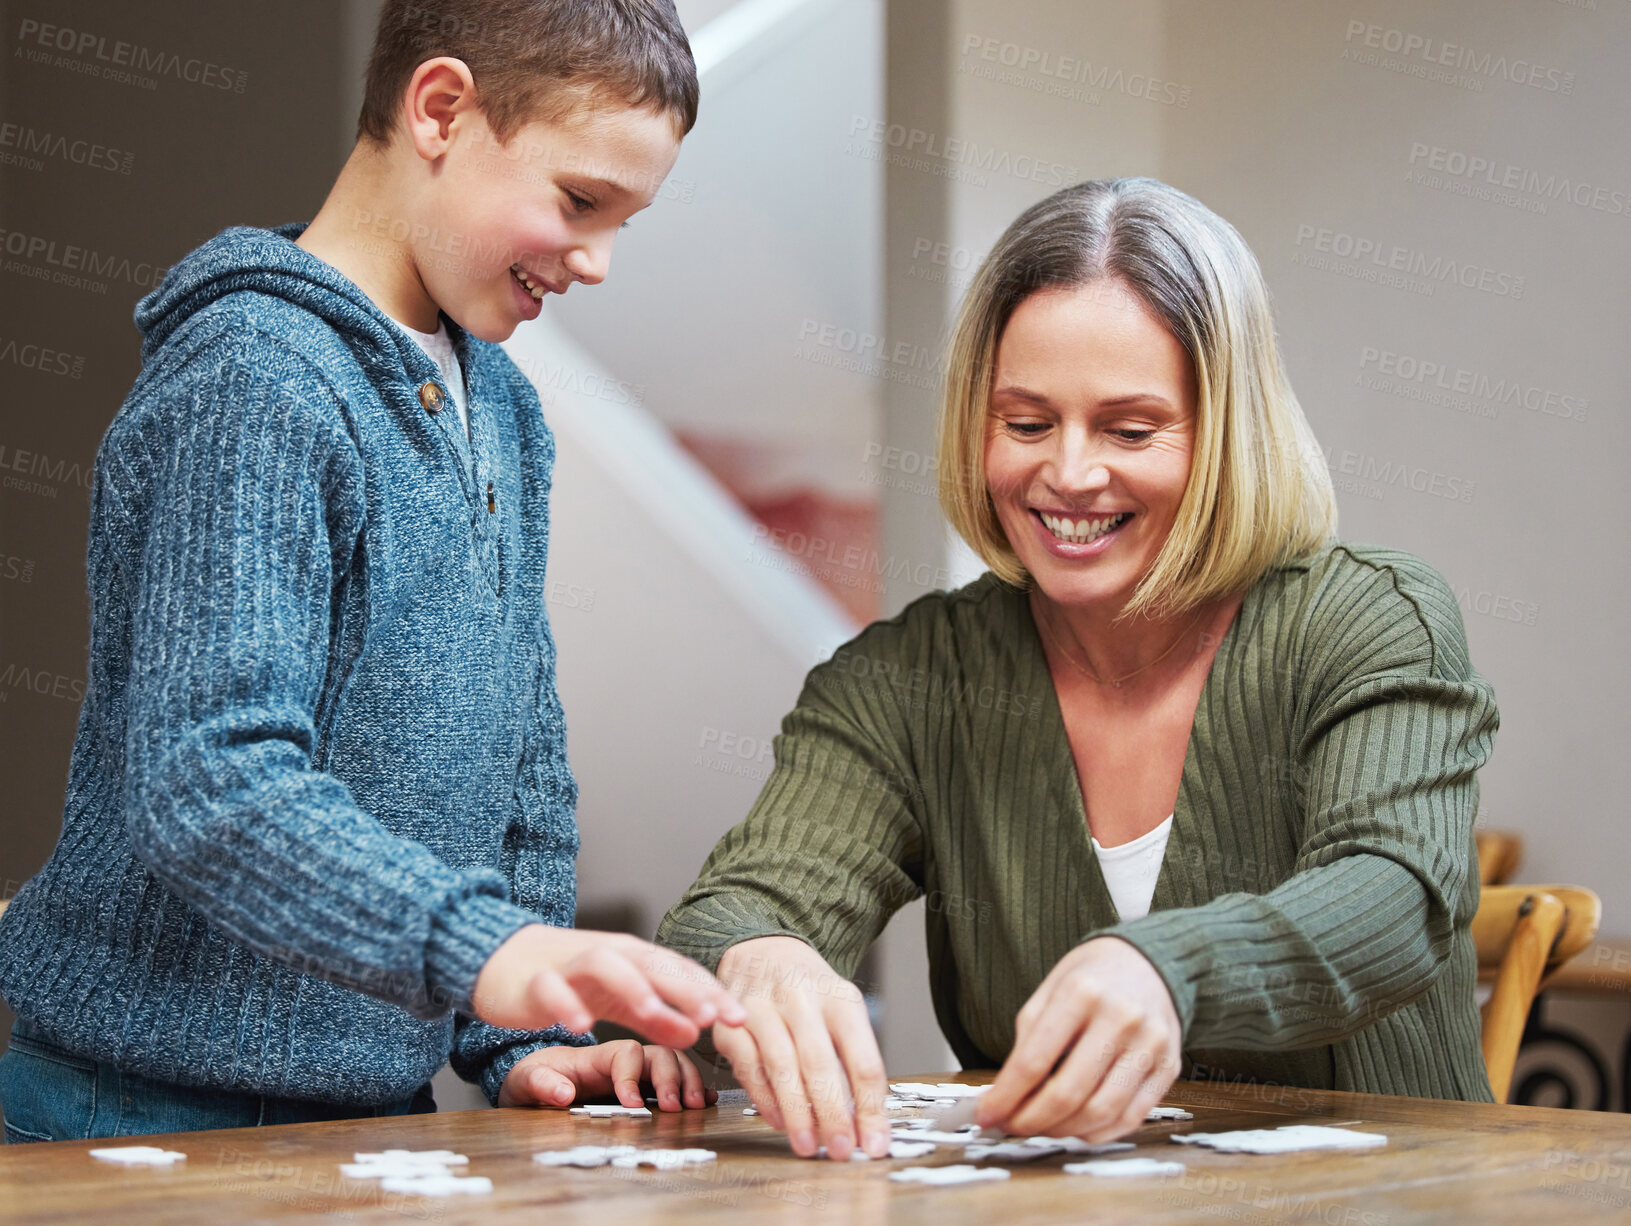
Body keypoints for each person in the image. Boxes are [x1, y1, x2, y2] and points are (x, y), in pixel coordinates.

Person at [0, 0, 745, 1143]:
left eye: (622, 224)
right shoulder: (257, 375)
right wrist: (486, 947)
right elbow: (211, 779)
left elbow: (522, 762)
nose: (595, 260)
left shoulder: (502, 406)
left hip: (368, 1108)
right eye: (579, 201)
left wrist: (529, 1038)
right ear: (440, 109)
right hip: (141, 1105)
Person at [657, 177, 1500, 1160]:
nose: (1066, 472)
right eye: (1023, 423)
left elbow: (1394, 893)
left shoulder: (1368, 618)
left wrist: (1165, 969)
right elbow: (729, 909)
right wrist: (762, 958)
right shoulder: (908, 676)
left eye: (1129, 429)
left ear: (1226, 433)